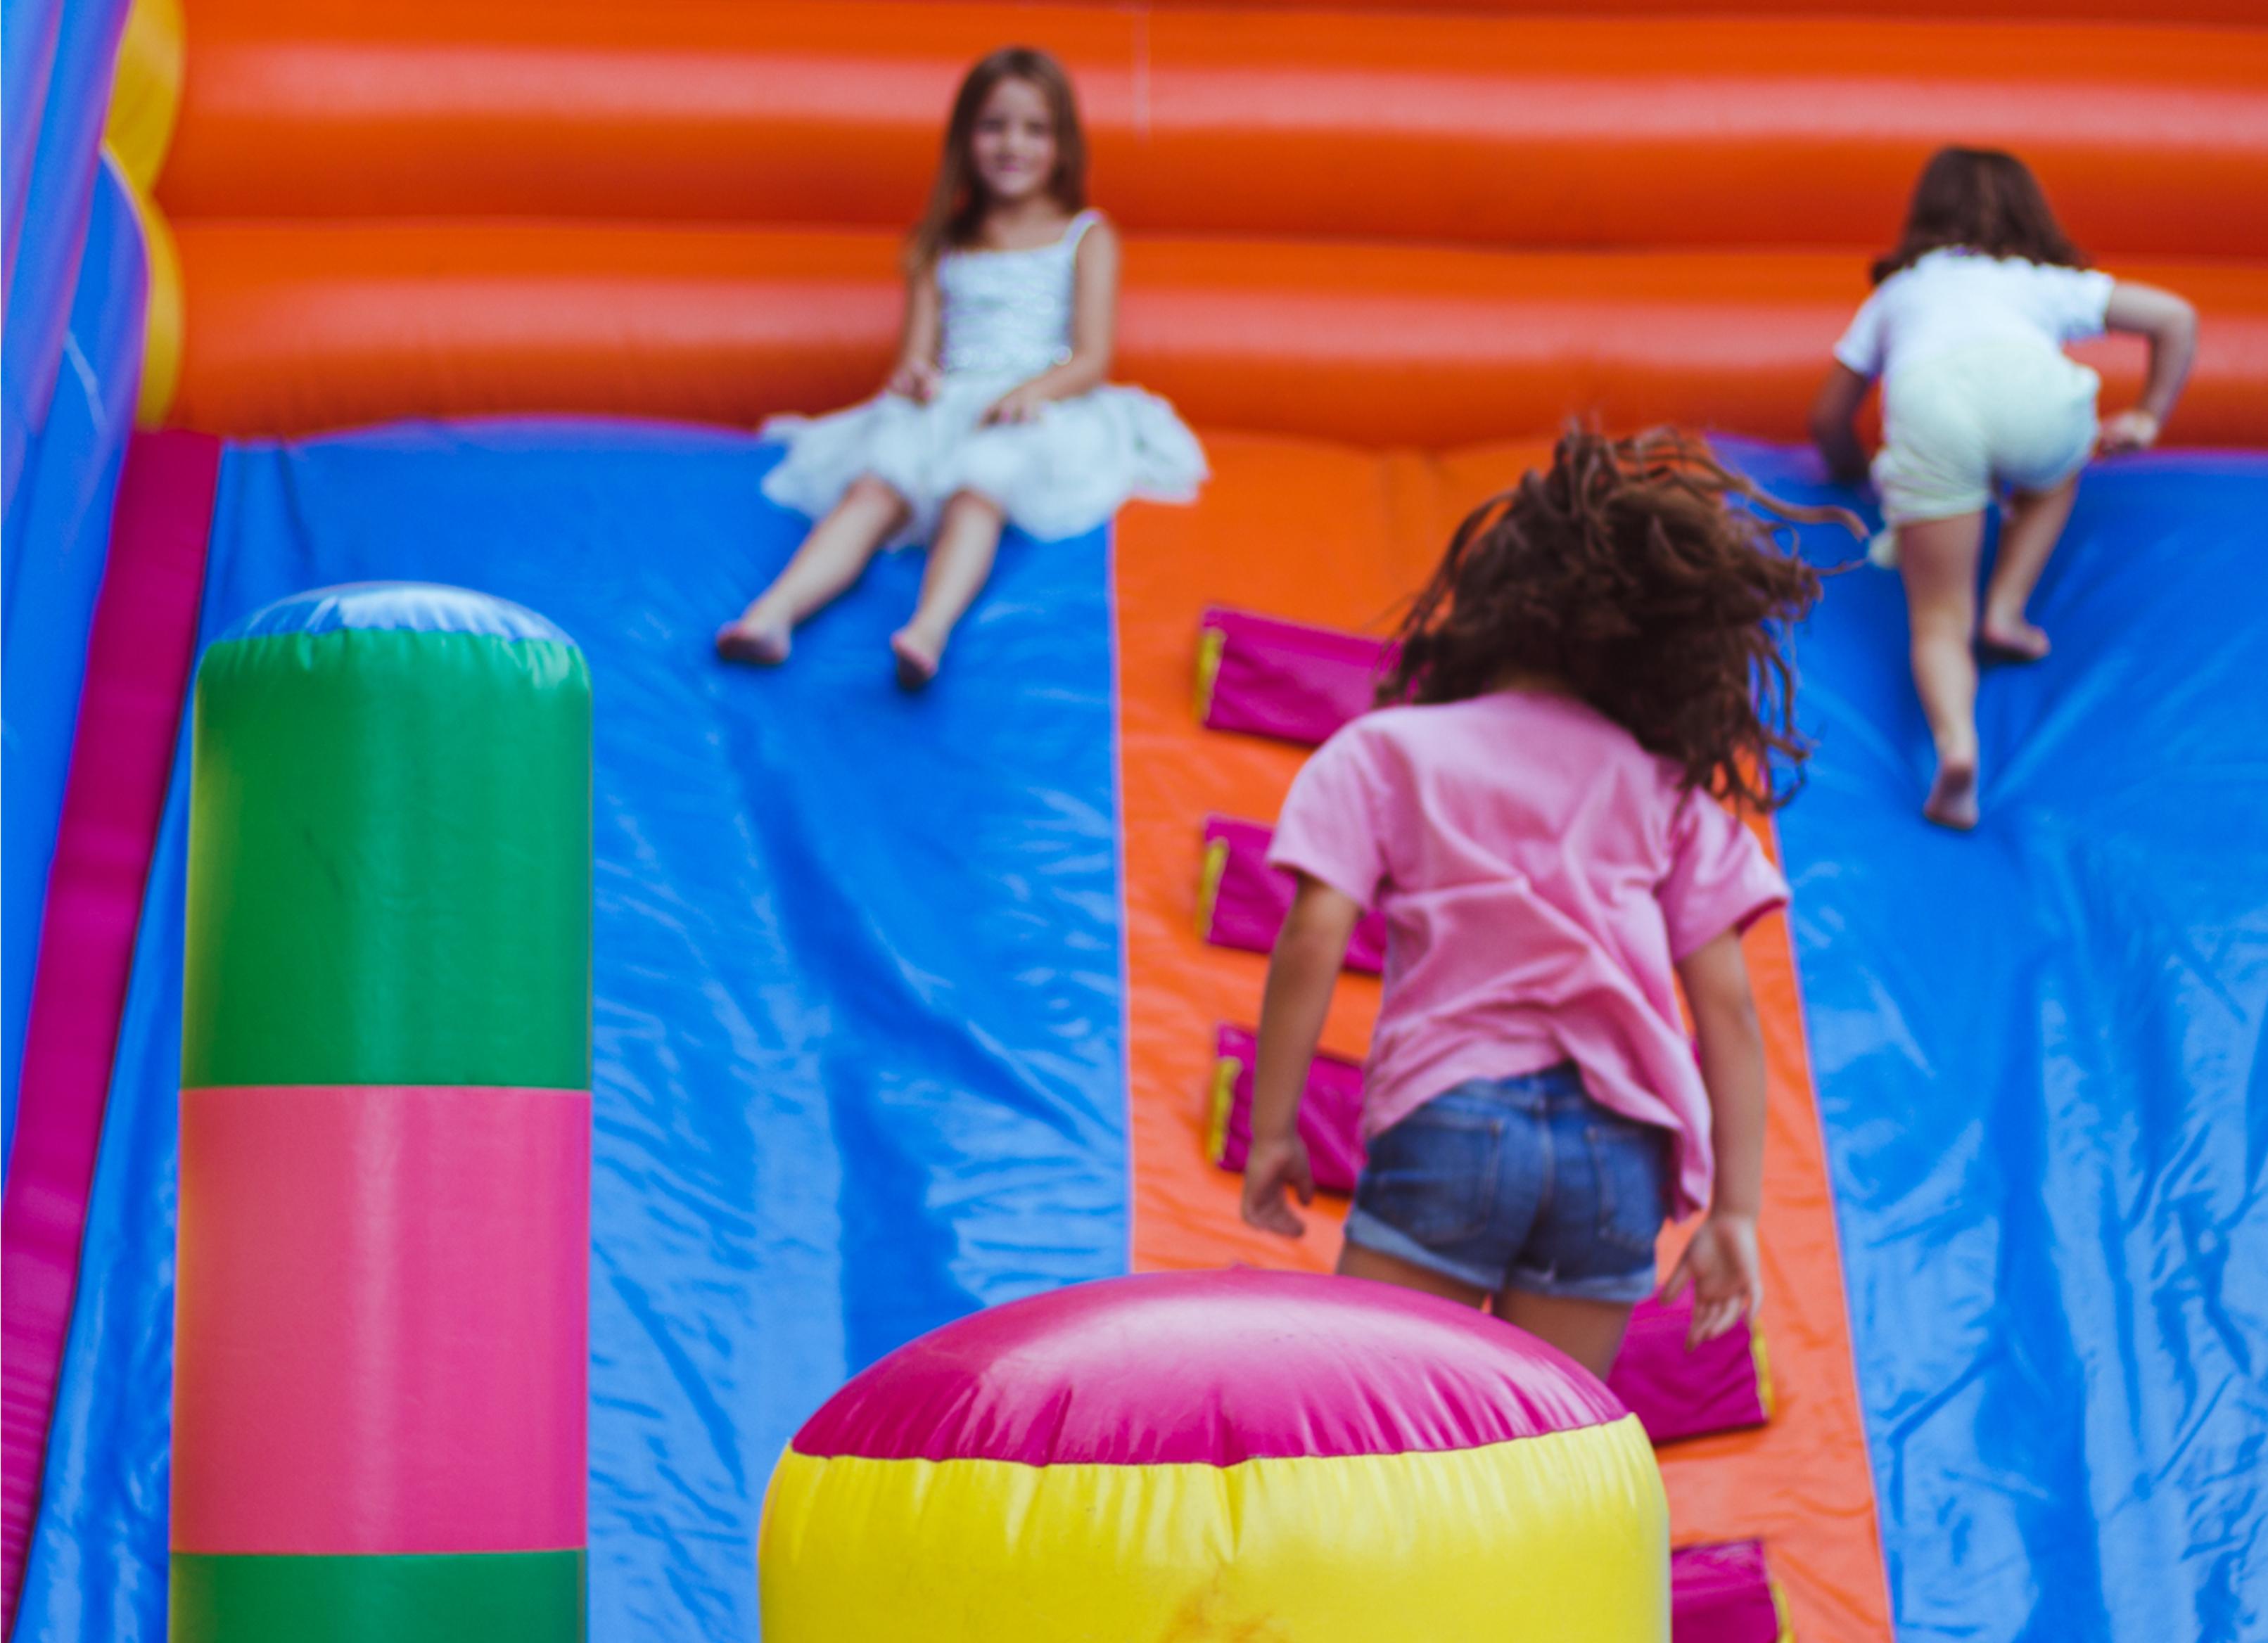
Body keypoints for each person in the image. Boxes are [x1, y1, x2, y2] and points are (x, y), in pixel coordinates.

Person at [1238, 426, 1842, 1380]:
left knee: (1378, 1428)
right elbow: (1725, 1005)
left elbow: (1315, 934)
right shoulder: (1661, 787)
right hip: (1619, 1146)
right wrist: (1735, 1210)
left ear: (1485, 613)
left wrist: (1273, 1129)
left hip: (1454, 1107)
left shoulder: (1392, 751)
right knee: (1535, 1458)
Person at [716, 46, 1206, 688]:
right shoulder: (939, 242)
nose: (1013, 145)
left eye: (1034, 130)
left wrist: (1035, 391)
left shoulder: (1086, 235)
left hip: (1040, 402)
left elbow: (1091, 356)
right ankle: (774, 614)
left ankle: (929, 627)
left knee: (981, 483)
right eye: (994, 126)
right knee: (878, 481)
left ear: (1062, 146)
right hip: (954, 400)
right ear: (965, 138)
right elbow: (917, 357)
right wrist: (915, 379)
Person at [1809, 145, 2198, 830]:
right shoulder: (2041, 280)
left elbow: (1827, 415)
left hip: (1935, 406)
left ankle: (1957, 748)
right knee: (2056, 470)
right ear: (2029, 214)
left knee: (1935, 619)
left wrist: (1846, 468)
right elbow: (2176, 317)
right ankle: (2008, 608)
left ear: (1923, 218)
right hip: (2036, 399)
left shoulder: (1900, 290)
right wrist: (2146, 416)